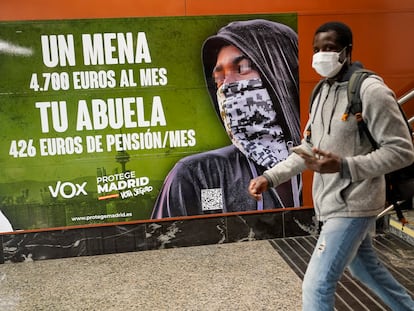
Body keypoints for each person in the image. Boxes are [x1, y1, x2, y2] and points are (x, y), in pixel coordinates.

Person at [248, 21, 414, 310]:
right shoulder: (322, 92)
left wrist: (344, 166)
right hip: (331, 202)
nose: (321, 55)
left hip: (355, 203)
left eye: (330, 48)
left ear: (347, 51)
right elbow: (308, 149)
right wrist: (270, 177)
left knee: (317, 284)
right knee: (364, 268)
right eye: (316, 49)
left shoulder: (371, 91)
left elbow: (402, 151)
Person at [151, 19, 301, 219]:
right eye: (218, 78)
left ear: (280, 71)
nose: (227, 86)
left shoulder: (324, 159)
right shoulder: (201, 175)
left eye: (242, 68)